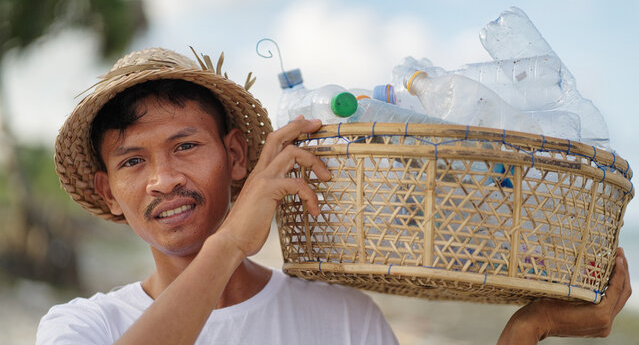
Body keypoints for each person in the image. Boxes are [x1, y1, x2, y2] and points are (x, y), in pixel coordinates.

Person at [37, 47, 631, 344]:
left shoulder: (339, 318)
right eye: (133, 161)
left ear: (238, 155)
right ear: (107, 191)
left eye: (186, 146)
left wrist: (530, 327)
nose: (163, 179)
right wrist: (229, 243)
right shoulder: (83, 327)